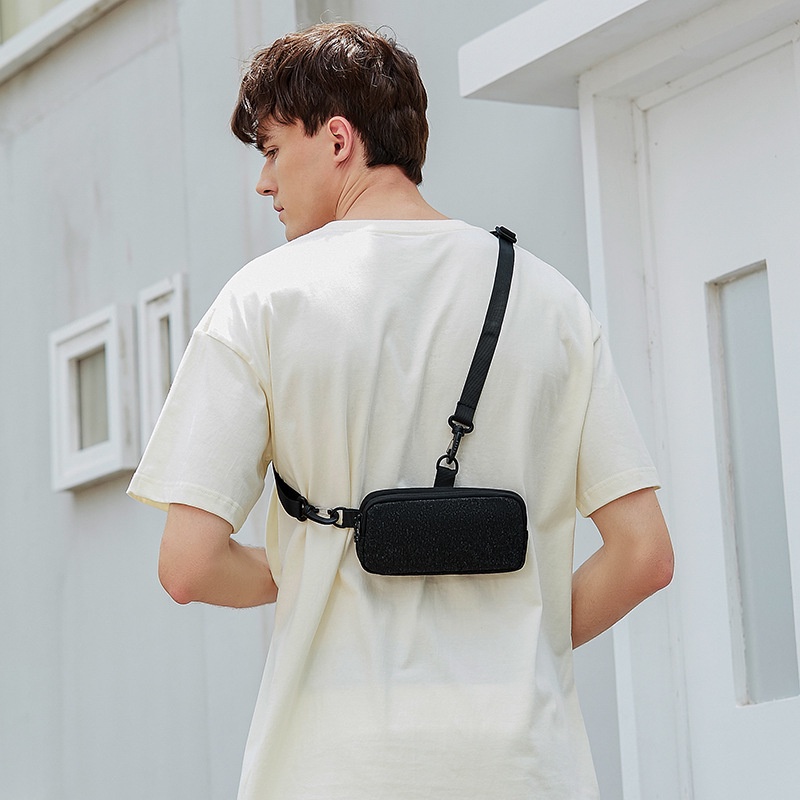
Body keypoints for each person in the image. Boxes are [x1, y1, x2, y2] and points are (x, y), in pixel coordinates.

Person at [128, 22, 673, 799]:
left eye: (273, 150)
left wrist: (304, 569)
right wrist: (525, 648)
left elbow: (187, 567)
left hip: (330, 769)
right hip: (527, 768)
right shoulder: (550, 300)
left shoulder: (262, 301)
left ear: (338, 139)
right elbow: (645, 555)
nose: (264, 183)